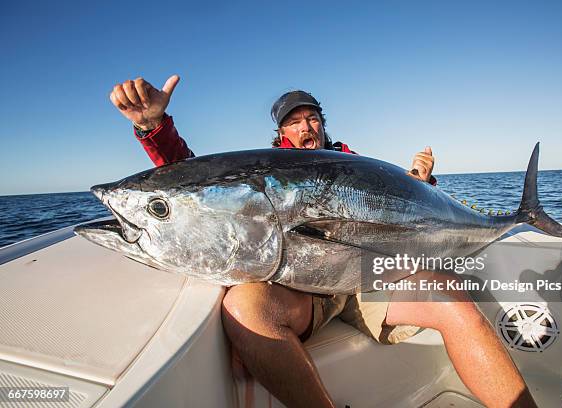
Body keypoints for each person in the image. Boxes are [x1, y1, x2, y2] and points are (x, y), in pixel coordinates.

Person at [110, 75, 537, 408]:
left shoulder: (354, 167)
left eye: (312, 117)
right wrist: (154, 127)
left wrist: (420, 184)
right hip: (300, 292)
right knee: (243, 307)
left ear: (323, 125)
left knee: (451, 299)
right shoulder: (264, 177)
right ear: (281, 135)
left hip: (366, 281)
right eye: (293, 121)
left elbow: (401, 212)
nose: (306, 126)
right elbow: (201, 193)